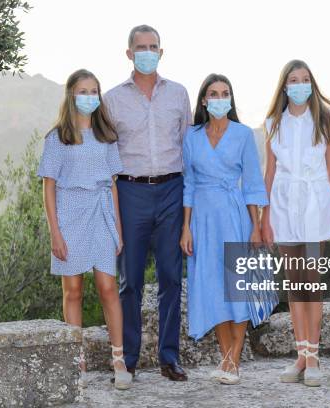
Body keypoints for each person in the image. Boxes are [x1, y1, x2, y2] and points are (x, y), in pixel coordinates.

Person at [260, 60, 330, 387]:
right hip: (284, 206)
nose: (299, 85)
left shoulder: (324, 120)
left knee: (311, 282)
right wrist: (265, 218)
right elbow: (269, 173)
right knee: (294, 283)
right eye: (293, 80)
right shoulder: (273, 123)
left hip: (316, 205)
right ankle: (300, 355)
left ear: (311, 85)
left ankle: (313, 357)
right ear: (284, 87)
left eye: (305, 80)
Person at [103, 25, 192, 381]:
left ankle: (169, 358)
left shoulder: (179, 94)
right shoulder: (111, 99)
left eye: (153, 46)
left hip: (172, 190)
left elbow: (188, 147)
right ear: (128, 53)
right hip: (130, 192)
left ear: (161, 51)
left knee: (172, 277)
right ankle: (129, 360)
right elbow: (106, 153)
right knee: (130, 281)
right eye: (141, 47)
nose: (147, 51)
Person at [37, 69, 132, 390]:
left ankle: (118, 359)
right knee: (73, 291)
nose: (89, 96)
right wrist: (55, 233)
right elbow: (48, 187)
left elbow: (114, 185)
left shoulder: (107, 136)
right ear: (71, 95)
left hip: (102, 214)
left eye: (94, 91)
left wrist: (117, 226)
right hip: (70, 217)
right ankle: (75, 359)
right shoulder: (57, 138)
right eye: (83, 91)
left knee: (108, 287)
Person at [180, 74, 268, 385]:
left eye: (225, 93)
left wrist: (256, 227)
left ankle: (233, 359)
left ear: (231, 99)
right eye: (214, 94)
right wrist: (186, 228)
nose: (219, 98)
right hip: (203, 220)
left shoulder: (243, 135)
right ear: (204, 100)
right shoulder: (191, 138)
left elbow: (255, 184)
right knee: (212, 286)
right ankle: (226, 357)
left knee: (238, 287)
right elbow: (188, 185)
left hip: (234, 217)